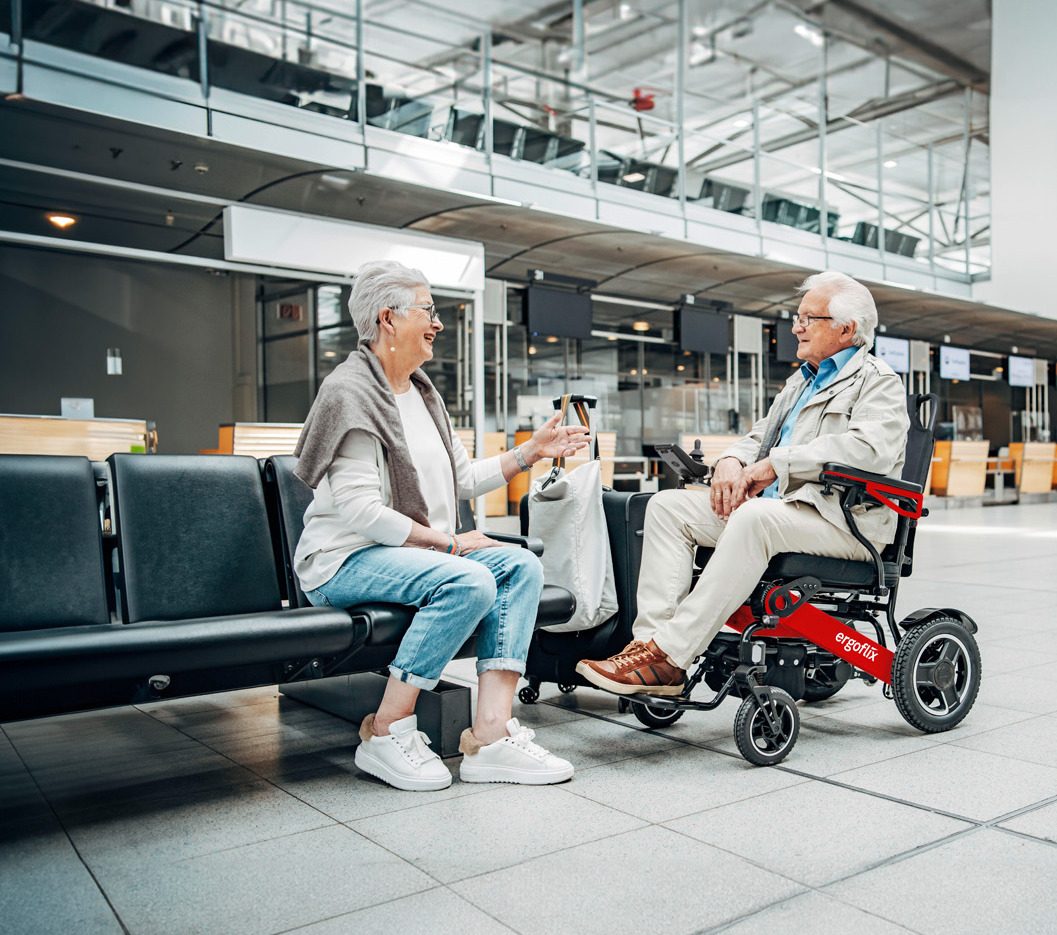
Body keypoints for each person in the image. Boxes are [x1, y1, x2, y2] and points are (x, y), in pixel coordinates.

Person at [294, 260, 591, 792]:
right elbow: (360, 511)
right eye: (428, 311)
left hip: (408, 556)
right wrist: (448, 543)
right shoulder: (351, 394)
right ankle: (384, 732)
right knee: (469, 577)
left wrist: (531, 452)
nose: (437, 323)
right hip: (343, 561)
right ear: (388, 318)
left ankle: (491, 739)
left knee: (520, 566)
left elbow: (462, 478)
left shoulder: (423, 393)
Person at [576, 272, 908, 694]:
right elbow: (760, 436)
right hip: (784, 513)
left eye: (809, 318)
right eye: (797, 316)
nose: (795, 327)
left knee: (754, 518)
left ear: (846, 329)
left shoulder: (878, 381)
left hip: (842, 522)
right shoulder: (801, 381)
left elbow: (868, 449)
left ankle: (672, 654)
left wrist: (776, 464)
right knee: (666, 507)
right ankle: (649, 652)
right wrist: (733, 460)